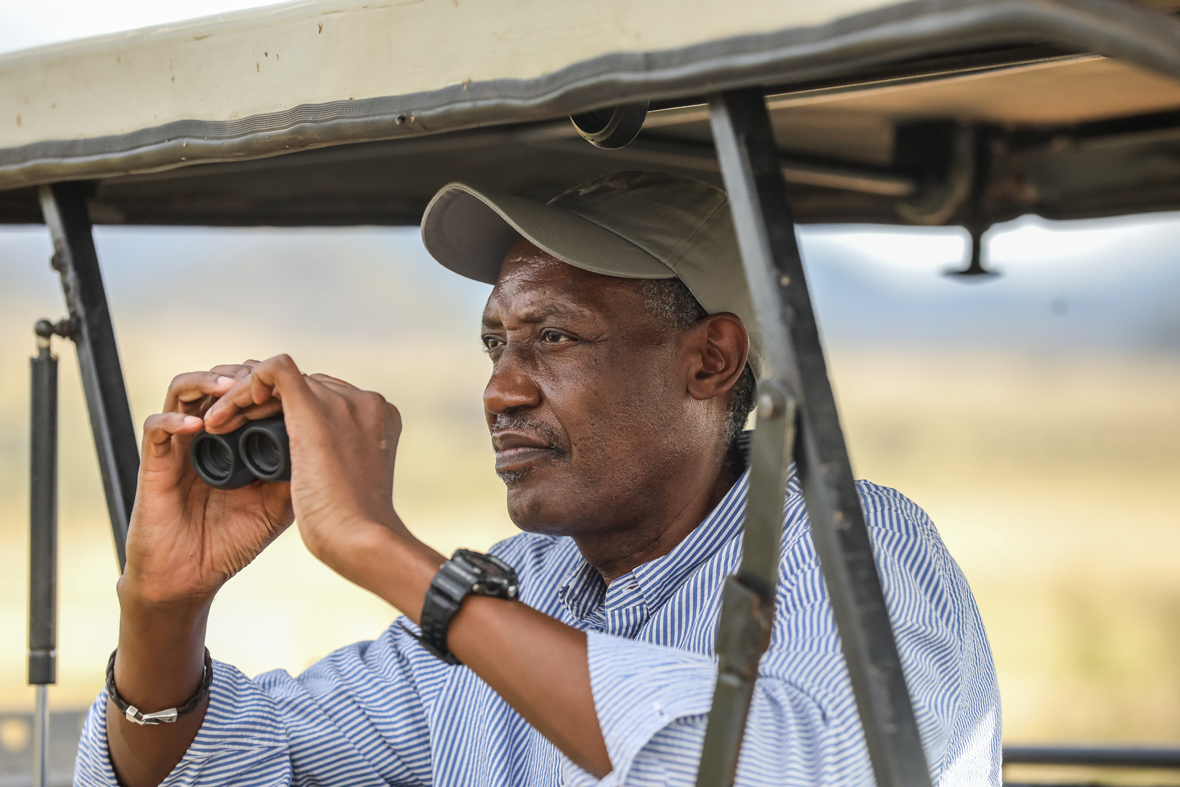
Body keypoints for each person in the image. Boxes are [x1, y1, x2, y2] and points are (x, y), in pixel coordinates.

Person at [75, 171, 1001, 787]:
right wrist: (162, 604)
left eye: (554, 338)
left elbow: (779, 764)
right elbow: (238, 757)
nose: (500, 390)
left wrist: (383, 551)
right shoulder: (528, 583)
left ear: (711, 362)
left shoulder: (852, 546)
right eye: (495, 344)